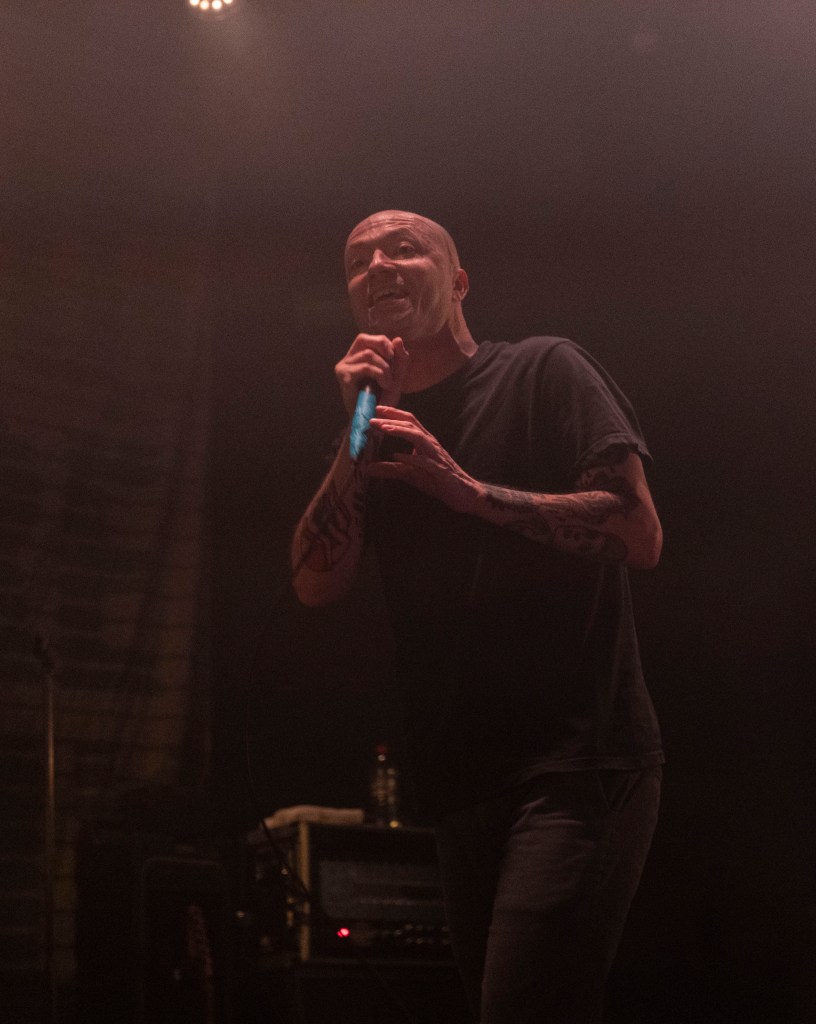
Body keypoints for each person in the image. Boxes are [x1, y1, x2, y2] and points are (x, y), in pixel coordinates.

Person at [291, 210, 664, 1023]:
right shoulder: (371, 427)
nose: (377, 265)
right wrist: (356, 424)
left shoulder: (544, 370)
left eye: (403, 249)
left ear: (458, 282)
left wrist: (469, 494)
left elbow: (639, 533)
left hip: (575, 763)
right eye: (358, 260)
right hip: (460, 783)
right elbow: (316, 583)